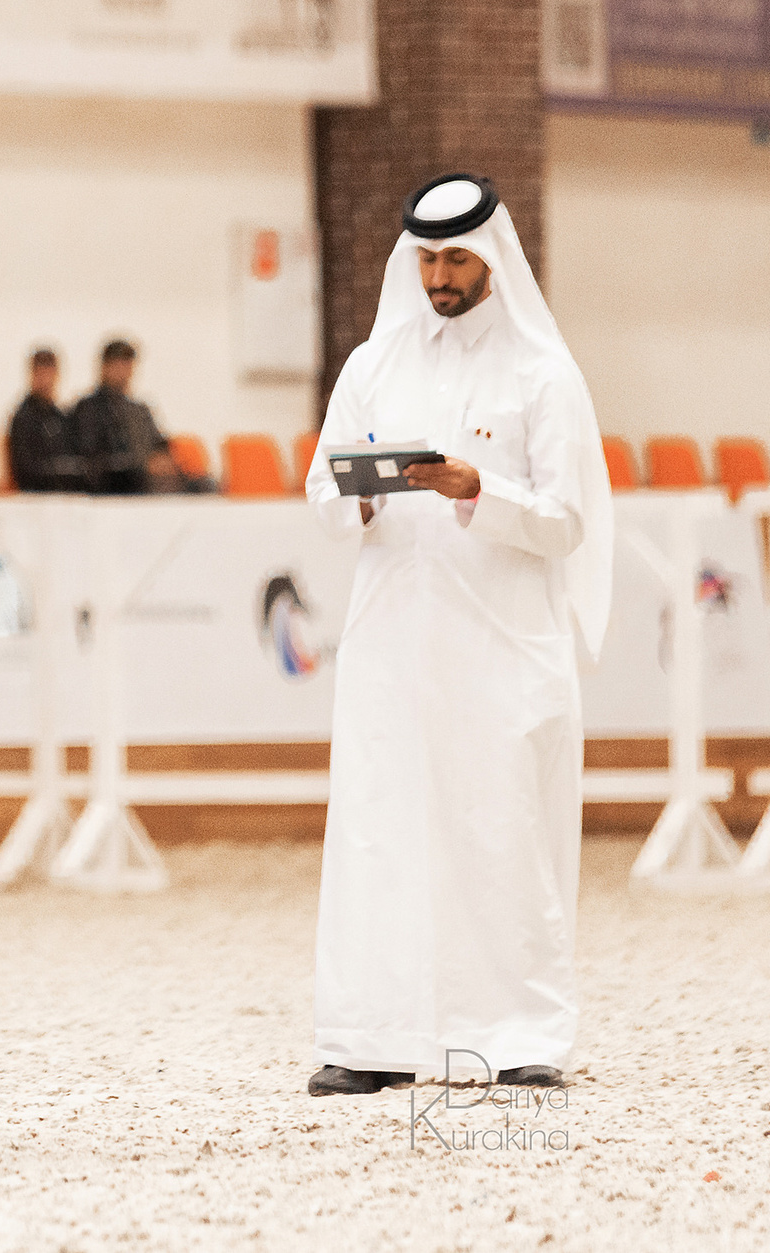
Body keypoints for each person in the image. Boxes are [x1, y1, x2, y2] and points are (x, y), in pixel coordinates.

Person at [302, 174, 612, 1098]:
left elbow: (568, 519)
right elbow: (322, 491)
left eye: (456, 260)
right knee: (379, 828)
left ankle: (520, 1035)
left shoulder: (542, 375)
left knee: (502, 828)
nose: (439, 276)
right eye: (427, 259)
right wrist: (361, 494)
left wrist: (481, 489)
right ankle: (370, 1036)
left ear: (492, 259)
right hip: (392, 645)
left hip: (503, 648)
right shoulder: (372, 365)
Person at [69, 338, 211, 494]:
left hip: (148, 479)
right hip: (120, 482)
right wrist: (142, 465)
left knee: (204, 484)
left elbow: (160, 444)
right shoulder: (89, 408)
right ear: (104, 367)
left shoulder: (140, 410)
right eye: (117, 365)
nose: (122, 372)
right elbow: (93, 456)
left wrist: (163, 460)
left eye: (127, 365)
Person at [5, 347, 87, 492]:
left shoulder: (62, 417)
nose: (45, 380)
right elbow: (24, 470)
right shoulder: (23, 418)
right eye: (40, 373)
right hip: (36, 493)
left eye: (49, 373)